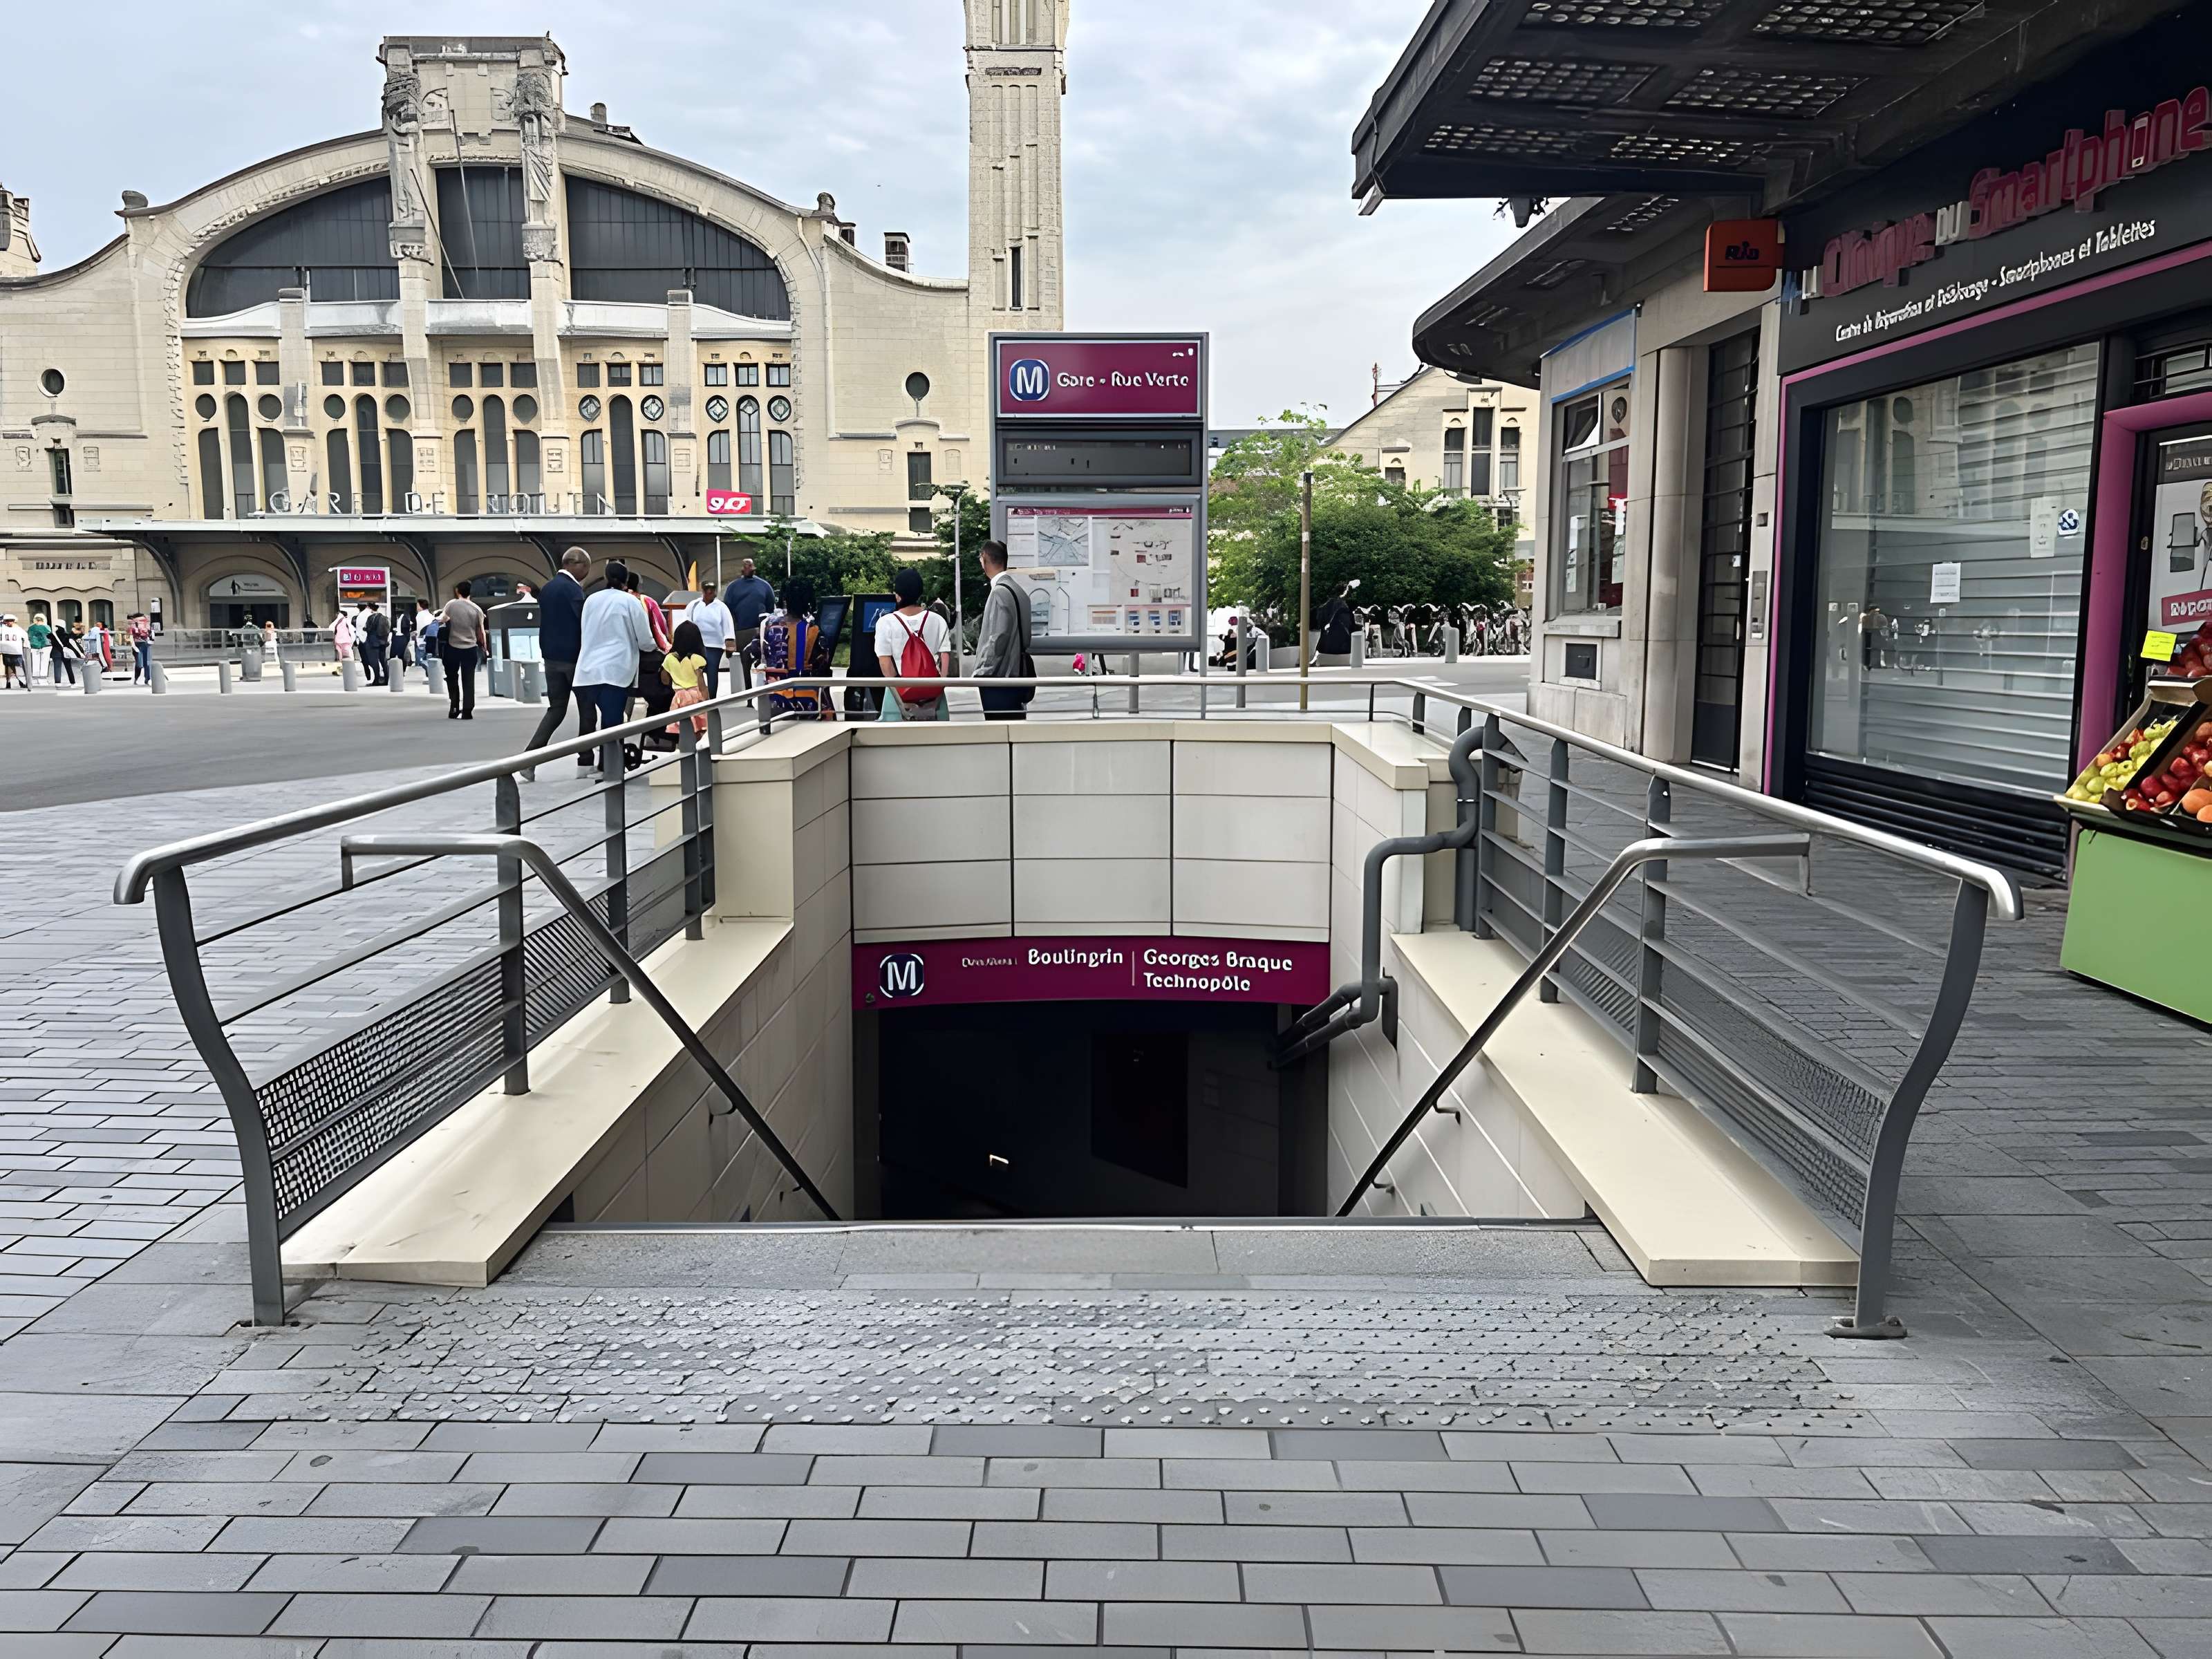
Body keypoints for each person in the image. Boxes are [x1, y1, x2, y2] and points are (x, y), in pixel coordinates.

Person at [574, 559, 656, 769]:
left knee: (599, 721)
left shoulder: (591, 600)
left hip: (587, 671)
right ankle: (612, 770)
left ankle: (597, 763)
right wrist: (657, 647)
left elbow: (584, 630)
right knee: (613, 724)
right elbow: (645, 641)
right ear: (626, 580)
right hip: (616, 671)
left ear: (605, 578)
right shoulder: (631, 602)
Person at [521, 547, 592, 782]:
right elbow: (582, 624)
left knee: (556, 709)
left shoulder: (548, 588)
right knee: (587, 708)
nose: (587, 573)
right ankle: (585, 760)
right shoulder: (573, 590)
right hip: (574, 659)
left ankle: (529, 760)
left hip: (551, 658)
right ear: (577, 564)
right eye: (586, 568)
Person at [874, 566, 950, 722]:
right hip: (934, 698)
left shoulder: (885, 623)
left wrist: (902, 702)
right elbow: (945, 661)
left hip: (898, 699)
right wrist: (936, 698)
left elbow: (886, 665)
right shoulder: (938, 620)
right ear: (920, 593)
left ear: (898, 596)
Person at [973, 540, 1035, 722]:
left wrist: (981, 671)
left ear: (984, 560)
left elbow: (998, 638)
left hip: (1000, 678)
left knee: (999, 731)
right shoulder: (1019, 591)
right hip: (1018, 674)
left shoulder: (999, 593)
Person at [760, 577, 830, 721]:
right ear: (808, 602)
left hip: (774, 697)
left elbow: (758, 651)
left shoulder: (770, 626)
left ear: (785, 600)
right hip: (805, 698)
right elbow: (822, 665)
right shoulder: (812, 631)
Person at [439, 580, 488, 720]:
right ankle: (467, 710)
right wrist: (484, 647)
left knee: (452, 678)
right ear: (470, 592)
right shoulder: (477, 609)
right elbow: (481, 631)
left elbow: (443, 619)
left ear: (457, 591)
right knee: (469, 679)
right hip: (470, 649)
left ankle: (454, 708)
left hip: (452, 647)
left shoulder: (451, 604)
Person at [662, 618, 712, 738]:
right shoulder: (695, 658)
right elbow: (701, 681)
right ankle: (698, 752)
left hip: (678, 697)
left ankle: (684, 750)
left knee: (682, 729)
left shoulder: (669, 659)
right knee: (699, 729)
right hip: (696, 696)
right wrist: (707, 699)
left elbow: (665, 679)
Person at [686, 580, 735, 697]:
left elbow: (728, 626)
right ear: (703, 591)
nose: (709, 593)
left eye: (712, 591)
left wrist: (730, 644)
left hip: (715, 646)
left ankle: (712, 699)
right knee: (696, 671)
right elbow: (686, 623)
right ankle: (698, 696)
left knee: (712, 672)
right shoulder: (694, 605)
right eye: (707, 591)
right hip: (696, 645)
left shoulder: (721, 607)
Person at [725, 557, 776, 663]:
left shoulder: (764, 586)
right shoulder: (733, 587)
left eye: (750, 567)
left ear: (754, 569)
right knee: (744, 662)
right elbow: (728, 610)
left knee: (762, 663)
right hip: (741, 631)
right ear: (742, 570)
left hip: (760, 630)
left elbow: (770, 608)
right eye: (746, 567)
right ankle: (746, 680)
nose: (748, 569)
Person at [359, 601, 391, 686]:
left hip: (373, 642)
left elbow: (368, 629)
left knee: (374, 662)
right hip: (383, 642)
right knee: (384, 661)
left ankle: (376, 680)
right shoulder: (385, 618)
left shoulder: (371, 617)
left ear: (370, 608)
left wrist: (364, 629)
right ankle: (386, 680)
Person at [48, 618, 79, 686]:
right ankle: (73, 682)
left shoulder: (52, 635)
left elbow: (49, 639)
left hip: (55, 652)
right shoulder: (66, 635)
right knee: (69, 668)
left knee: (57, 668)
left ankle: (57, 683)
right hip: (65, 653)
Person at [0, 616, 25, 690]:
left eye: (11, 621)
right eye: (7, 621)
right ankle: (11, 682)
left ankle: (18, 681)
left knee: (16, 667)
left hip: (15, 651)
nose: (9, 622)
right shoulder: (3, 629)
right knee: (9, 666)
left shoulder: (17, 629)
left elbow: (25, 637)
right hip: (7, 650)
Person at [331, 608, 355, 676]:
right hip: (342, 642)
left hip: (344, 642)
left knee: (347, 656)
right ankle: (344, 670)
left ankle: (348, 670)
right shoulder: (339, 622)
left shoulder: (347, 621)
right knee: (343, 657)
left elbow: (351, 631)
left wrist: (352, 641)